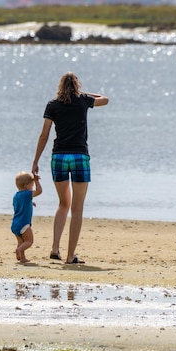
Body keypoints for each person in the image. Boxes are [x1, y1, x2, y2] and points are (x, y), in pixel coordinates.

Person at [31, 72, 109, 264]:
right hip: (79, 156)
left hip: (59, 156)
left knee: (63, 204)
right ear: (77, 86)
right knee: (77, 208)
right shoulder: (83, 101)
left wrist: (35, 161)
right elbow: (105, 100)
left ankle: (55, 248)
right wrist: (82, 93)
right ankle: (70, 256)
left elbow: (44, 135)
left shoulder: (53, 104)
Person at [11, 171, 42, 263]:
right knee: (29, 241)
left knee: (21, 242)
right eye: (32, 186)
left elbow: (18, 205)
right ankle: (19, 250)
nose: (32, 188)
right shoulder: (27, 194)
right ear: (27, 186)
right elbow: (39, 191)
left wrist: (30, 203)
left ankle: (22, 258)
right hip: (24, 223)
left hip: (15, 224)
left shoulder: (16, 196)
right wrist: (37, 181)